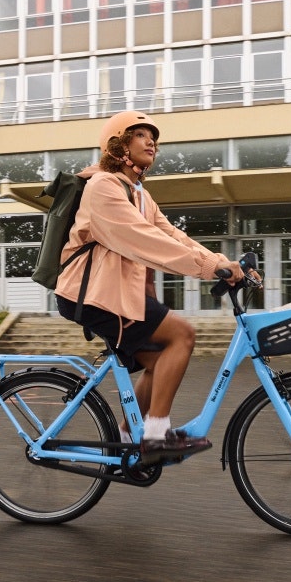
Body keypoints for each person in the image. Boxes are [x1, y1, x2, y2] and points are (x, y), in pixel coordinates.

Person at [55, 111, 247, 462]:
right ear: (119, 145)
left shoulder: (139, 193)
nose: (151, 141)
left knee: (160, 359)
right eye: (140, 134)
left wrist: (221, 262)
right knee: (182, 335)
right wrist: (209, 268)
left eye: (152, 136)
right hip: (95, 296)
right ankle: (156, 437)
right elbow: (145, 241)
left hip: (118, 296)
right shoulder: (103, 187)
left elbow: (173, 235)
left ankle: (132, 437)